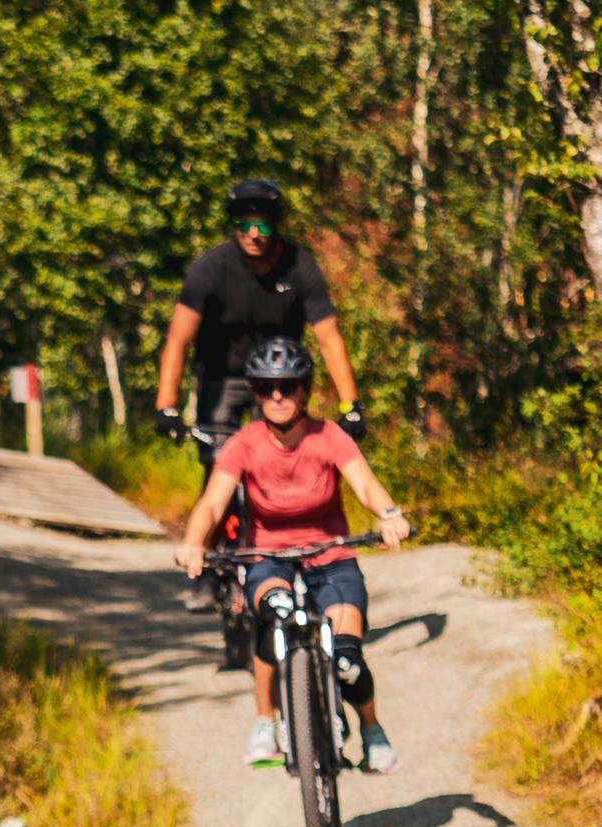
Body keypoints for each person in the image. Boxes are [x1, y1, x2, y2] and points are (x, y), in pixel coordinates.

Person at [174, 336, 417, 776]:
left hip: (331, 555)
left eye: (287, 386)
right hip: (268, 555)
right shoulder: (245, 444)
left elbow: (364, 484)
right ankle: (266, 723)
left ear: (305, 390)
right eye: (266, 388)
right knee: (272, 616)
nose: (278, 396)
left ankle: (372, 730)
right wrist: (195, 543)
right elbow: (212, 502)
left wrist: (389, 514)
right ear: (255, 392)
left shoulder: (330, 437)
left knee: (347, 659)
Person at [153, 177, 365, 451]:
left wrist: (350, 405)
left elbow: (329, 338)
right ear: (235, 228)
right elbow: (178, 340)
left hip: (278, 380)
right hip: (221, 376)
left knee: (277, 462)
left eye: (262, 226)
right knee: (218, 462)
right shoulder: (210, 268)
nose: (254, 234)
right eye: (244, 226)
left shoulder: (300, 267)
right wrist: (166, 405)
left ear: (274, 227)